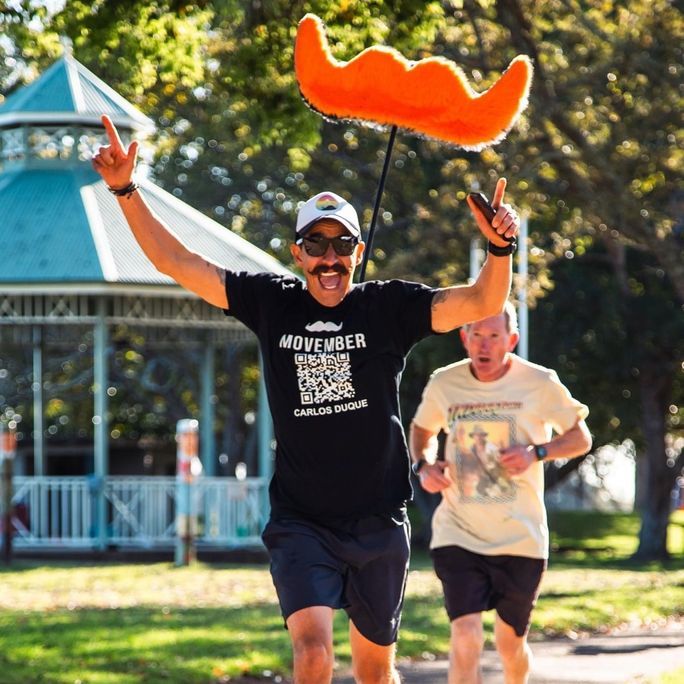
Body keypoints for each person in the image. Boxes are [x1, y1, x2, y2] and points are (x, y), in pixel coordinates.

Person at [92, 115, 520, 684]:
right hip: (302, 522)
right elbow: (178, 263)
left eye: (342, 244)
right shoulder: (272, 302)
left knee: (374, 673)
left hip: (379, 522)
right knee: (313, 655)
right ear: (298, 253)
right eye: (315, 245)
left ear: (358, 250)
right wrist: (125, 190)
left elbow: (479, 300)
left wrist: (499, 248)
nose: (329, 258)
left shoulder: (387, 308)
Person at [410, 301, 592, 684]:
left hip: (520, 537)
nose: (484, 345)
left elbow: (580, 438)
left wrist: (537, 452)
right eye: (476, 335)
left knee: (510, 646)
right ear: (464, 338)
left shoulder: (540, 383)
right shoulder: (446, 382)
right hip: (458, 532)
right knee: (465, 636)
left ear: (511, 339)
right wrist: (425, 466)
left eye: (494, 336)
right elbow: (423, 431)